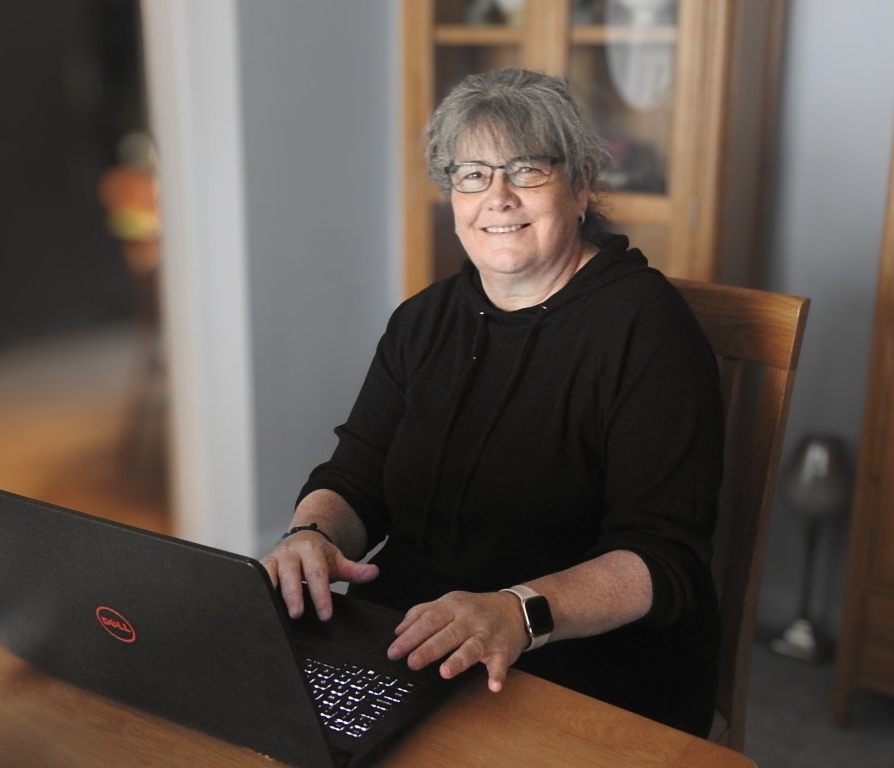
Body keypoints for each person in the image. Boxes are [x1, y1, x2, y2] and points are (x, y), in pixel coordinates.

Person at [261, 67, 723, 738]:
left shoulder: (647, 329)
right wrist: (312, 536)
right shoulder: (423, 321)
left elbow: (663, 557)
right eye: (471, 173)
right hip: (416, 641)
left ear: (585, 183)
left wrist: (517, 612)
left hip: (582, 665)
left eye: (528, 170)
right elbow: (356, 478)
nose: (496, 196)